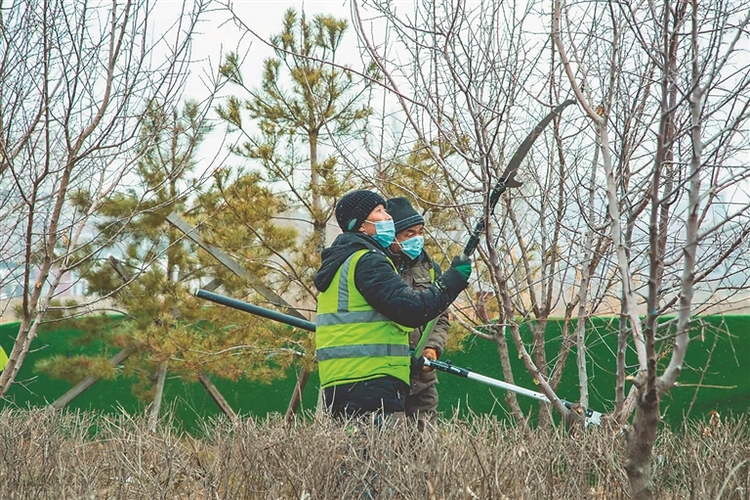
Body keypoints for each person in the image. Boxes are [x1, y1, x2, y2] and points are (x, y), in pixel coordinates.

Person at [314, 189, 471, 421]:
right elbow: (411, 310)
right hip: (370, 381)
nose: (387, 216)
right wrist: (452, 280)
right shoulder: (367, 261)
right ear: (360, 224)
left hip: (347, 381)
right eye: (379, 211)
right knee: (376, 456)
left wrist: (427, 348)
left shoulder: (344, 261)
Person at [386, 196, 449, 431]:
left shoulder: (431, 269)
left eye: (420, 232)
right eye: (409, 234)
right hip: (389, 377)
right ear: (392, 236)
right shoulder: (378, 267)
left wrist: (432, 348)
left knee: (423, 453)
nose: (417, 239)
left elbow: (441, 316)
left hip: (422, 381)